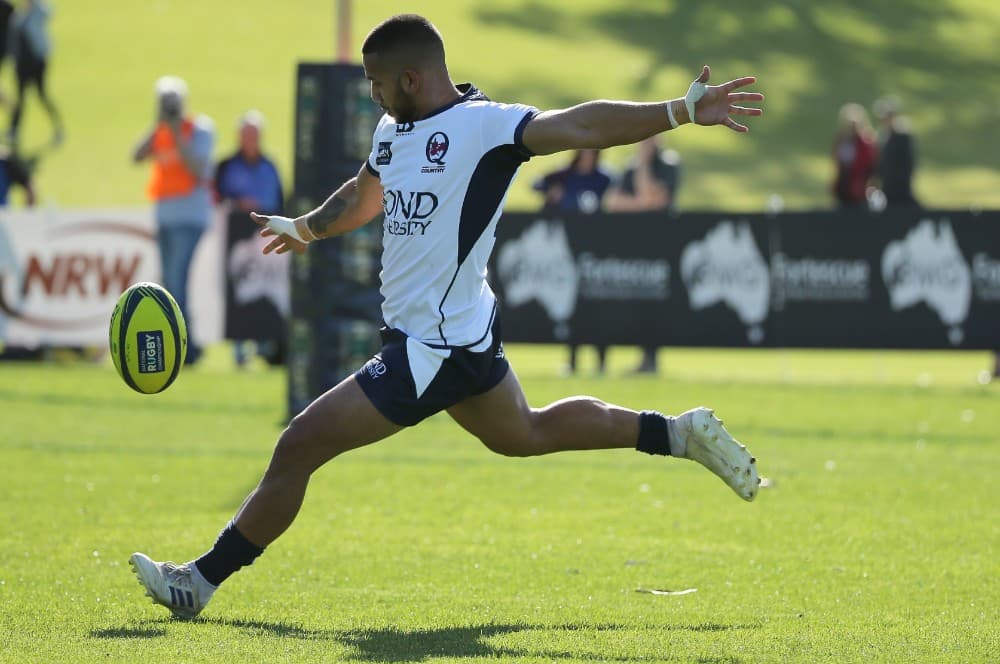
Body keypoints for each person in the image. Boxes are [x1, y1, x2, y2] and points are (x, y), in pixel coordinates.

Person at [129, 14, 764, 620]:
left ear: (411, 79)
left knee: (299, 444)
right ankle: (678, 433)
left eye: (377, 84)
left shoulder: (482, 127)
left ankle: (201, 581)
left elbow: (581, 129)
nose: (372, 97)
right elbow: (364, 194)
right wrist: (305, 227)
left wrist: (679, 111)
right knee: (526, 433)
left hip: (429, 350)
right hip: (460, 337)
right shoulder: (392, 130)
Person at [132, 75, 214, 365]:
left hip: (189, 218)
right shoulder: (160, 132)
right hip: (166, 218)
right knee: (169, 282)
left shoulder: (199, 130)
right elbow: (136, 156)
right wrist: (158, 125)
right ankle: (181, 344)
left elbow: (196, 169)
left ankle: (186, 349)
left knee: (177, 281)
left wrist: (177, 132)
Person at [214, 109, 285, 367]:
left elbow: (280, 200)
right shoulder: (226, 166)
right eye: (246, 135)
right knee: (238, 295)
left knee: (264, 293)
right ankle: (239, 349)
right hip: (236, 243)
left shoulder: (270, 166)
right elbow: (217, 198)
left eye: (254, 135)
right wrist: (238, 205)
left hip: (264, 239)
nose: (250, 140)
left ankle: (264, 346)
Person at [606, 137, 682, 374]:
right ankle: (643, 360)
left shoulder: (669, 165)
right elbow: (613, 202)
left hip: (662, 247)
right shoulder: (632, 167)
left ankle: (651, 359)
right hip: (635, 247)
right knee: (637, 305)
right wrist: (642, 202)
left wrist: (645, 165)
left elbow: (656, 198)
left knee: (656, 304)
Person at [534, 148, 612, 375]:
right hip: (568, 253)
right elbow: (537, 184)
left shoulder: (603, 178)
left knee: (598, 309)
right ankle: (573, 361)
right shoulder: (565, 175)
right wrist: (552, 194)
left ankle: (601, 362)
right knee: (573, 309)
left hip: (596, 253)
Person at [7, 0, 63, 147]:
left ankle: (58, 127)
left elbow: (49, 11)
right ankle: (14, 130)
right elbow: (14, 40)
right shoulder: (19, 15)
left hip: (36, 63)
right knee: (20, 98)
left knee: (42, 95)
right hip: (20, 64)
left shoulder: (38, 13)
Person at [872, 96, 919, 209]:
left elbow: (908, 163)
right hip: (887, 188)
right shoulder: (883, 137)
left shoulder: (902, 137)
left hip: (901, 188)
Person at [831, 103, 877, 208]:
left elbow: (869, 166)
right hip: (843, 184)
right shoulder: (841, 140)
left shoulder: (865, 142)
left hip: (859, 186)